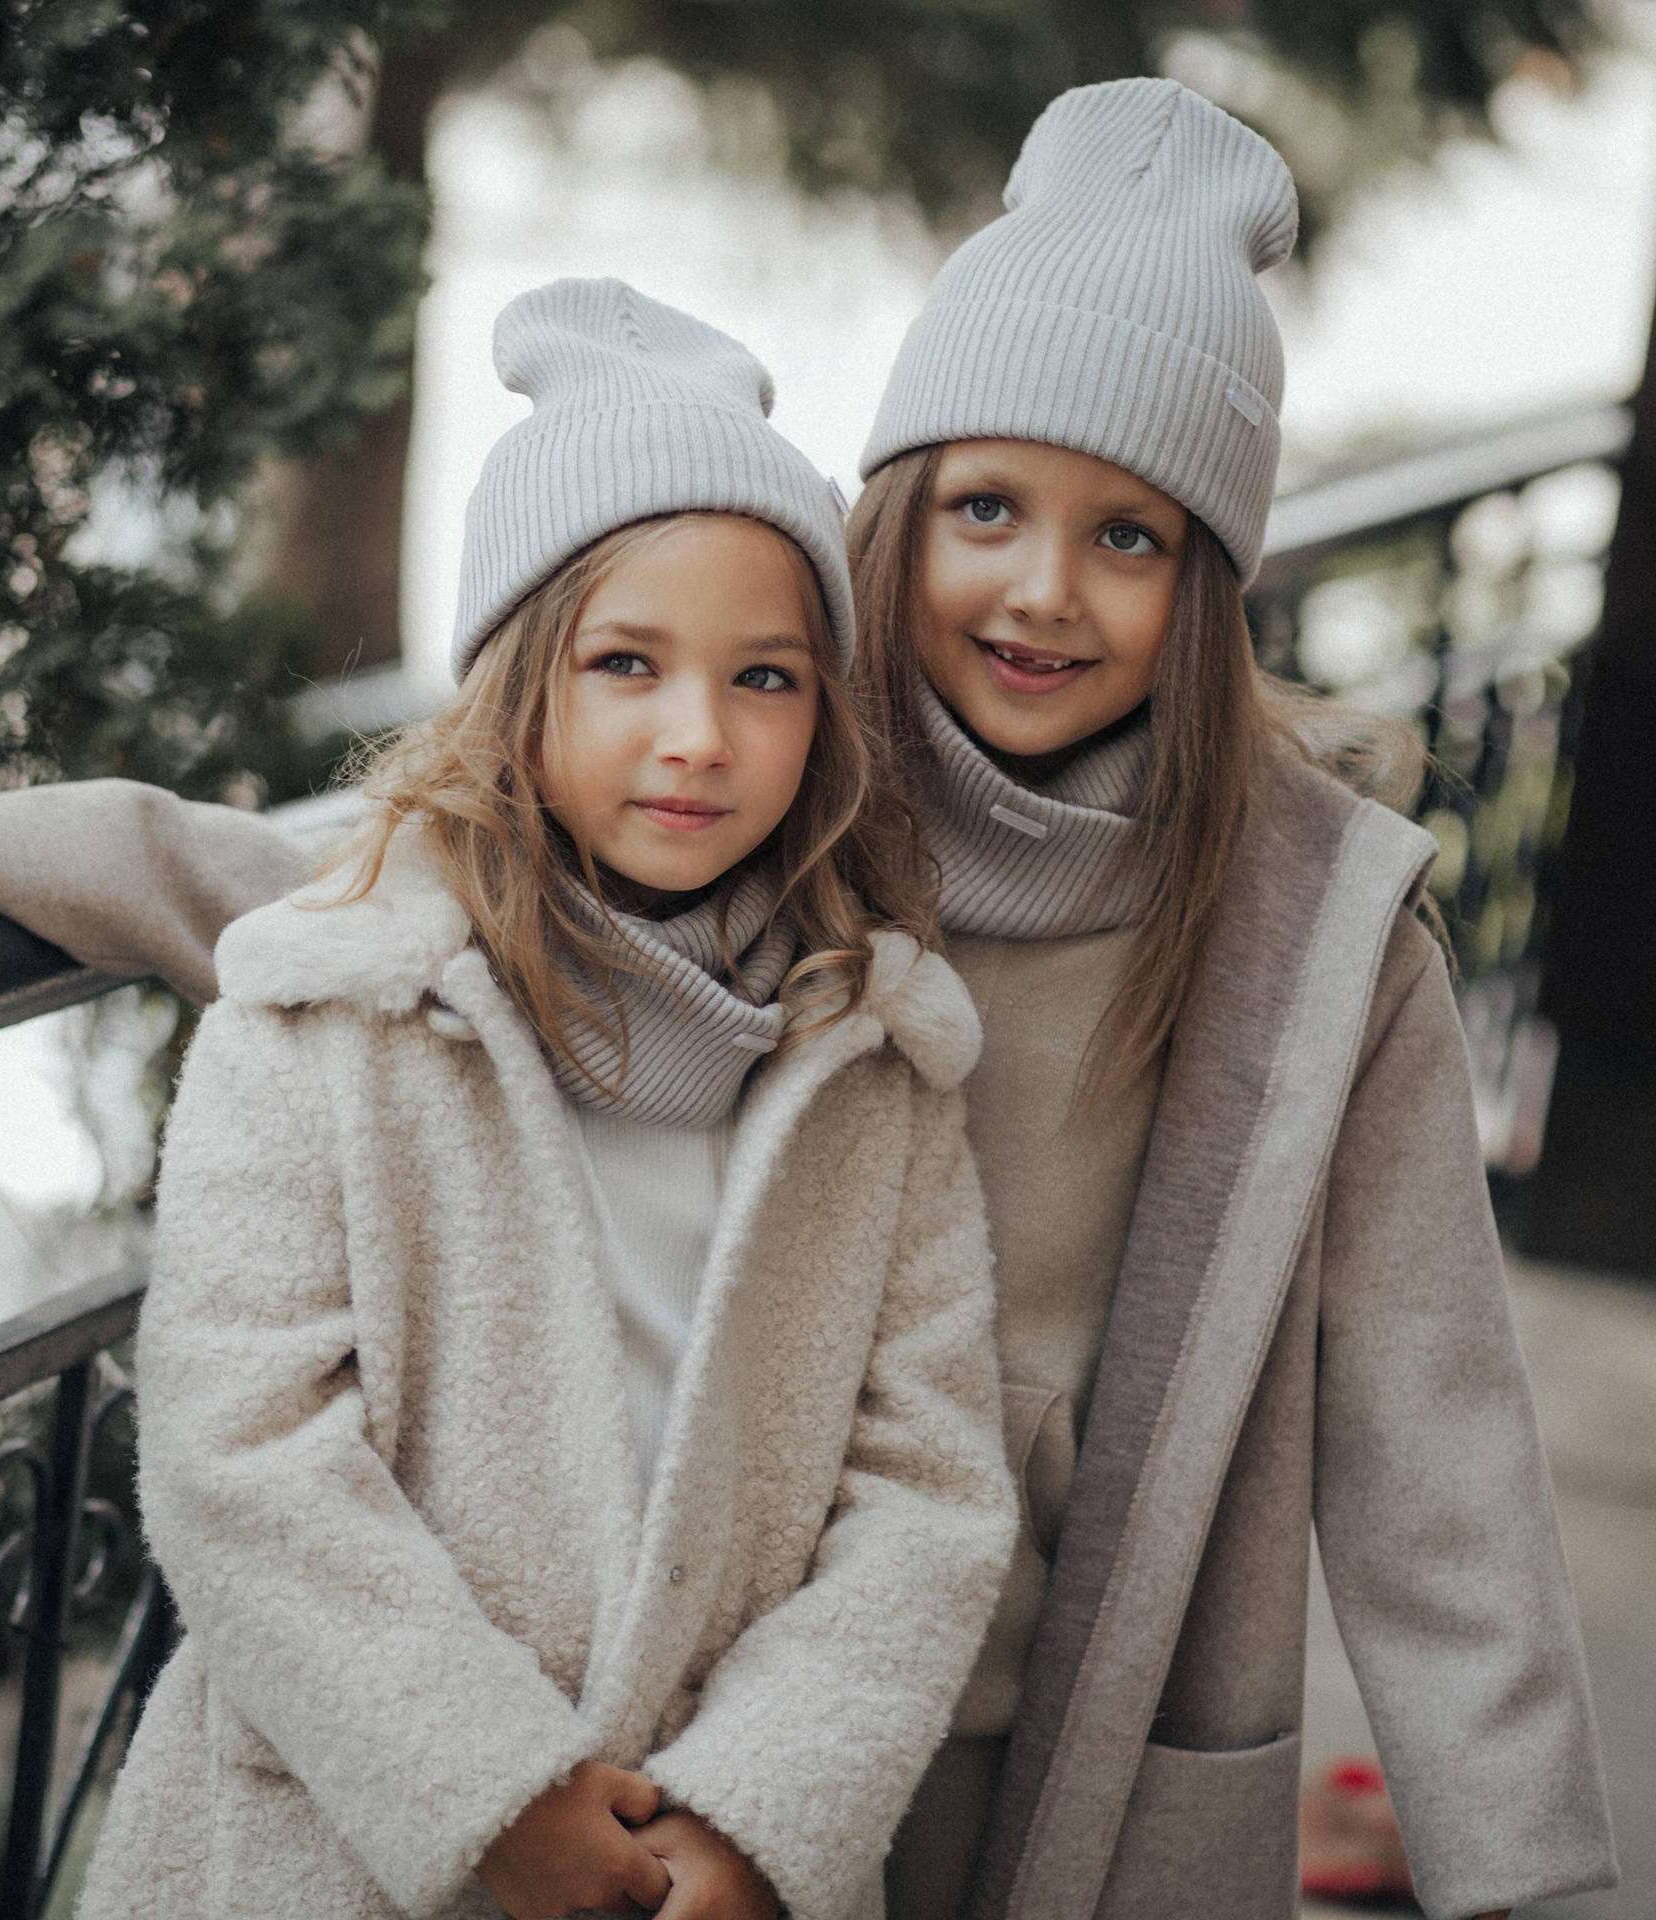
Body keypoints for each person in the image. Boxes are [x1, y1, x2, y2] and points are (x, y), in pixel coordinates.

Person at [0, 83, 1616, 1920]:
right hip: (750, 1729)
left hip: (1085, 1731)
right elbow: (447, 861)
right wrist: (93, 855)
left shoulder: (1313, 929)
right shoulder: (797, 760)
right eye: (984, 506)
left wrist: (1527, 1877)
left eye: (1131, 536)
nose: (1043, 590)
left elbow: (1441, 1460)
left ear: (1210, 577)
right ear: (898, 510)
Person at [71, 278, 1016, 1920]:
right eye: (627, 664)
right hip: (349, 1850)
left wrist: (761, 1811)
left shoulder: (874, 1061)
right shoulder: (332, 1014)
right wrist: (494, 1792)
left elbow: (925, 1494)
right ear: (520, 683)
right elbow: (241, 1452)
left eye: (768, 679)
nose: (697, 737)